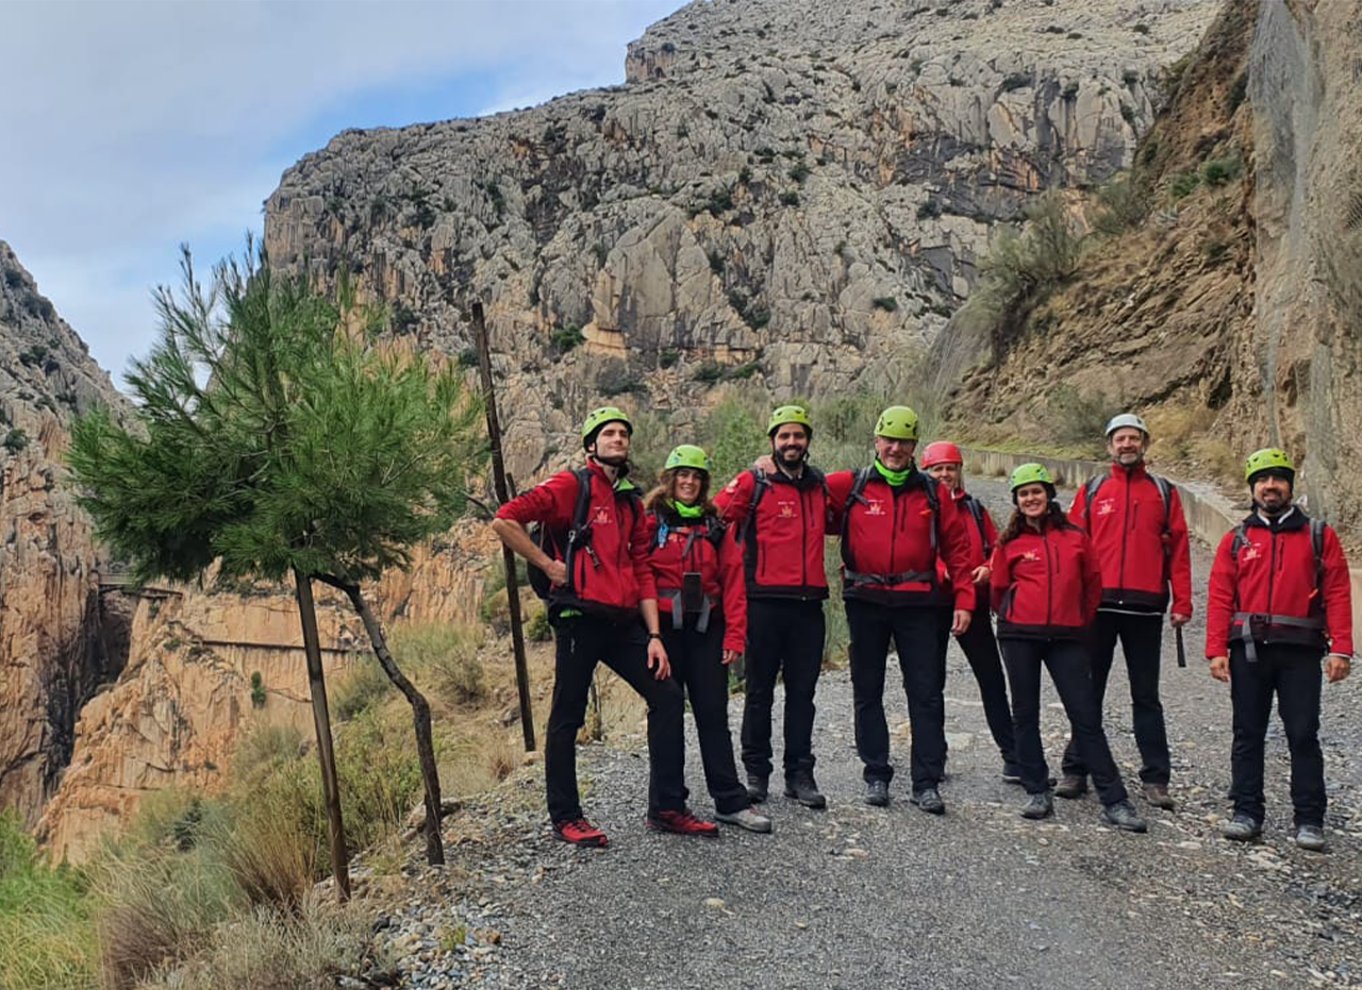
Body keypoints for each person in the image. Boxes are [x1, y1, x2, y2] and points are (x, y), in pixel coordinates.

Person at [491, 406, 717, 846]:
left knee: (668, 696)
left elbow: (643, 570)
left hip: (623, 621)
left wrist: (655, 637)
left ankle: (667, 806)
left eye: (623, 434)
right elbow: (505, 519)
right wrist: (548, 565)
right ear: (592, 444)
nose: (618, 439)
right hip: (578, 617)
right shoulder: (570, 486)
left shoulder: (631, 502)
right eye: (609, 433)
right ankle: (566, 816)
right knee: (568, 715)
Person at [827, 409, 976, 813]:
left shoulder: (933, 491)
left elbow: (958, 550)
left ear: (914, 447)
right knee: (868, 691)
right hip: (866, 601)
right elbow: (800, 492)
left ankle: (926, 782)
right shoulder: (851, 485)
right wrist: (761, 467)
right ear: (876, 441)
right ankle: (876, 774)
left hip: (921, 604)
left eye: (904, 442)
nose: (895, 449)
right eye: (888, 440)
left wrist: (965, 599)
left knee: (926, 694)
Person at [1206, 448, 1353, 851]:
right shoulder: (1237, 539)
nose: (1270, 486)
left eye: (1278, 479)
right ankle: (1246, 811)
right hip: (1249, 651)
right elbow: (1220, 596)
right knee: (1247, 734)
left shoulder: (1319, 536)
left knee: (1303, 734)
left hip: (1301, 653)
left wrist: (1342, 647)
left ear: (1290, 485)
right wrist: (1216, 648)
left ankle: (1309, 818)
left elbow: (1338, 592)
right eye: (1262, 480)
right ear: (1252, 489)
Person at [990, 463, 1148, 832]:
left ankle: (1115, 800)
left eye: (1037, 491)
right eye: (1024, 493)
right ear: (1016, 500)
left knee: (1086, 716)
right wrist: (1015, 614)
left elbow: (1093, 584)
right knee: (1025, 714)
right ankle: (1036, 790)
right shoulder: (1009, 542)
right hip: (1019, 635)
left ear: (1049, 495)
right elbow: (997, 589)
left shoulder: (1075, 537)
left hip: (1067, 636)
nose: (1031, 498)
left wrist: (1077, 618)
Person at [1056, 413, 1192, 811]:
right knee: (1087, 691)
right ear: (1109, 446)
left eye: (1133, 438)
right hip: (1097, 608)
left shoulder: (1163, 493)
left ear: (1144, 444)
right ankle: (1076, 769)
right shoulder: (1094, 490)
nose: (1127, 445)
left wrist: (1182, 601)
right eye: (1120, 439)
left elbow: (1179, 551)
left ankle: (1156, 778)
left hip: (1145, 608)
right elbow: (1072, 546)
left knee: (1145, 696)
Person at [643, 444, 771, 833]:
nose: (689, 482)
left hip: (707, 630)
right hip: (664, 632)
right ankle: (665, 805)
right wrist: (649, 635)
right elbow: (640, 575)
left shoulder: (716, 527)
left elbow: (734, 582)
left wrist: (734, 636)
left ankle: (730, 801)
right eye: (683, 475)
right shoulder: (650, 523)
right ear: (669, 479)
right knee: (665, 717)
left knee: (713, 715)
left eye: (696, 477)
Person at [715, 404, 830, 809]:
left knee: (803, 694)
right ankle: (756, 774)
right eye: (784, 436)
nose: (792, 442)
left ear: (808, 441)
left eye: (798, 435)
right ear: (773, 442)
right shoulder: (755, 480)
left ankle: (800, 775)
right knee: (759, 692)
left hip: (809, 606)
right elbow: (716, 514)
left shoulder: (820, 486)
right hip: (762, 603)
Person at [920, 440, 1019, 783]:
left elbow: (998, 548)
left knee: (991, 679)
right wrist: (944, 571)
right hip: (932, 604)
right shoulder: (919, 507)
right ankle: (933, 759)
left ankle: (1013, 756)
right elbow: (913, 550)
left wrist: (990, 568)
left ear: (960, 471)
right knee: (931, 684)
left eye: (950, 468)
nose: (945, 474)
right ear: (926, 472)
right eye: (938, 469)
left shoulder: (975, 509)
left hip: (972, 603)